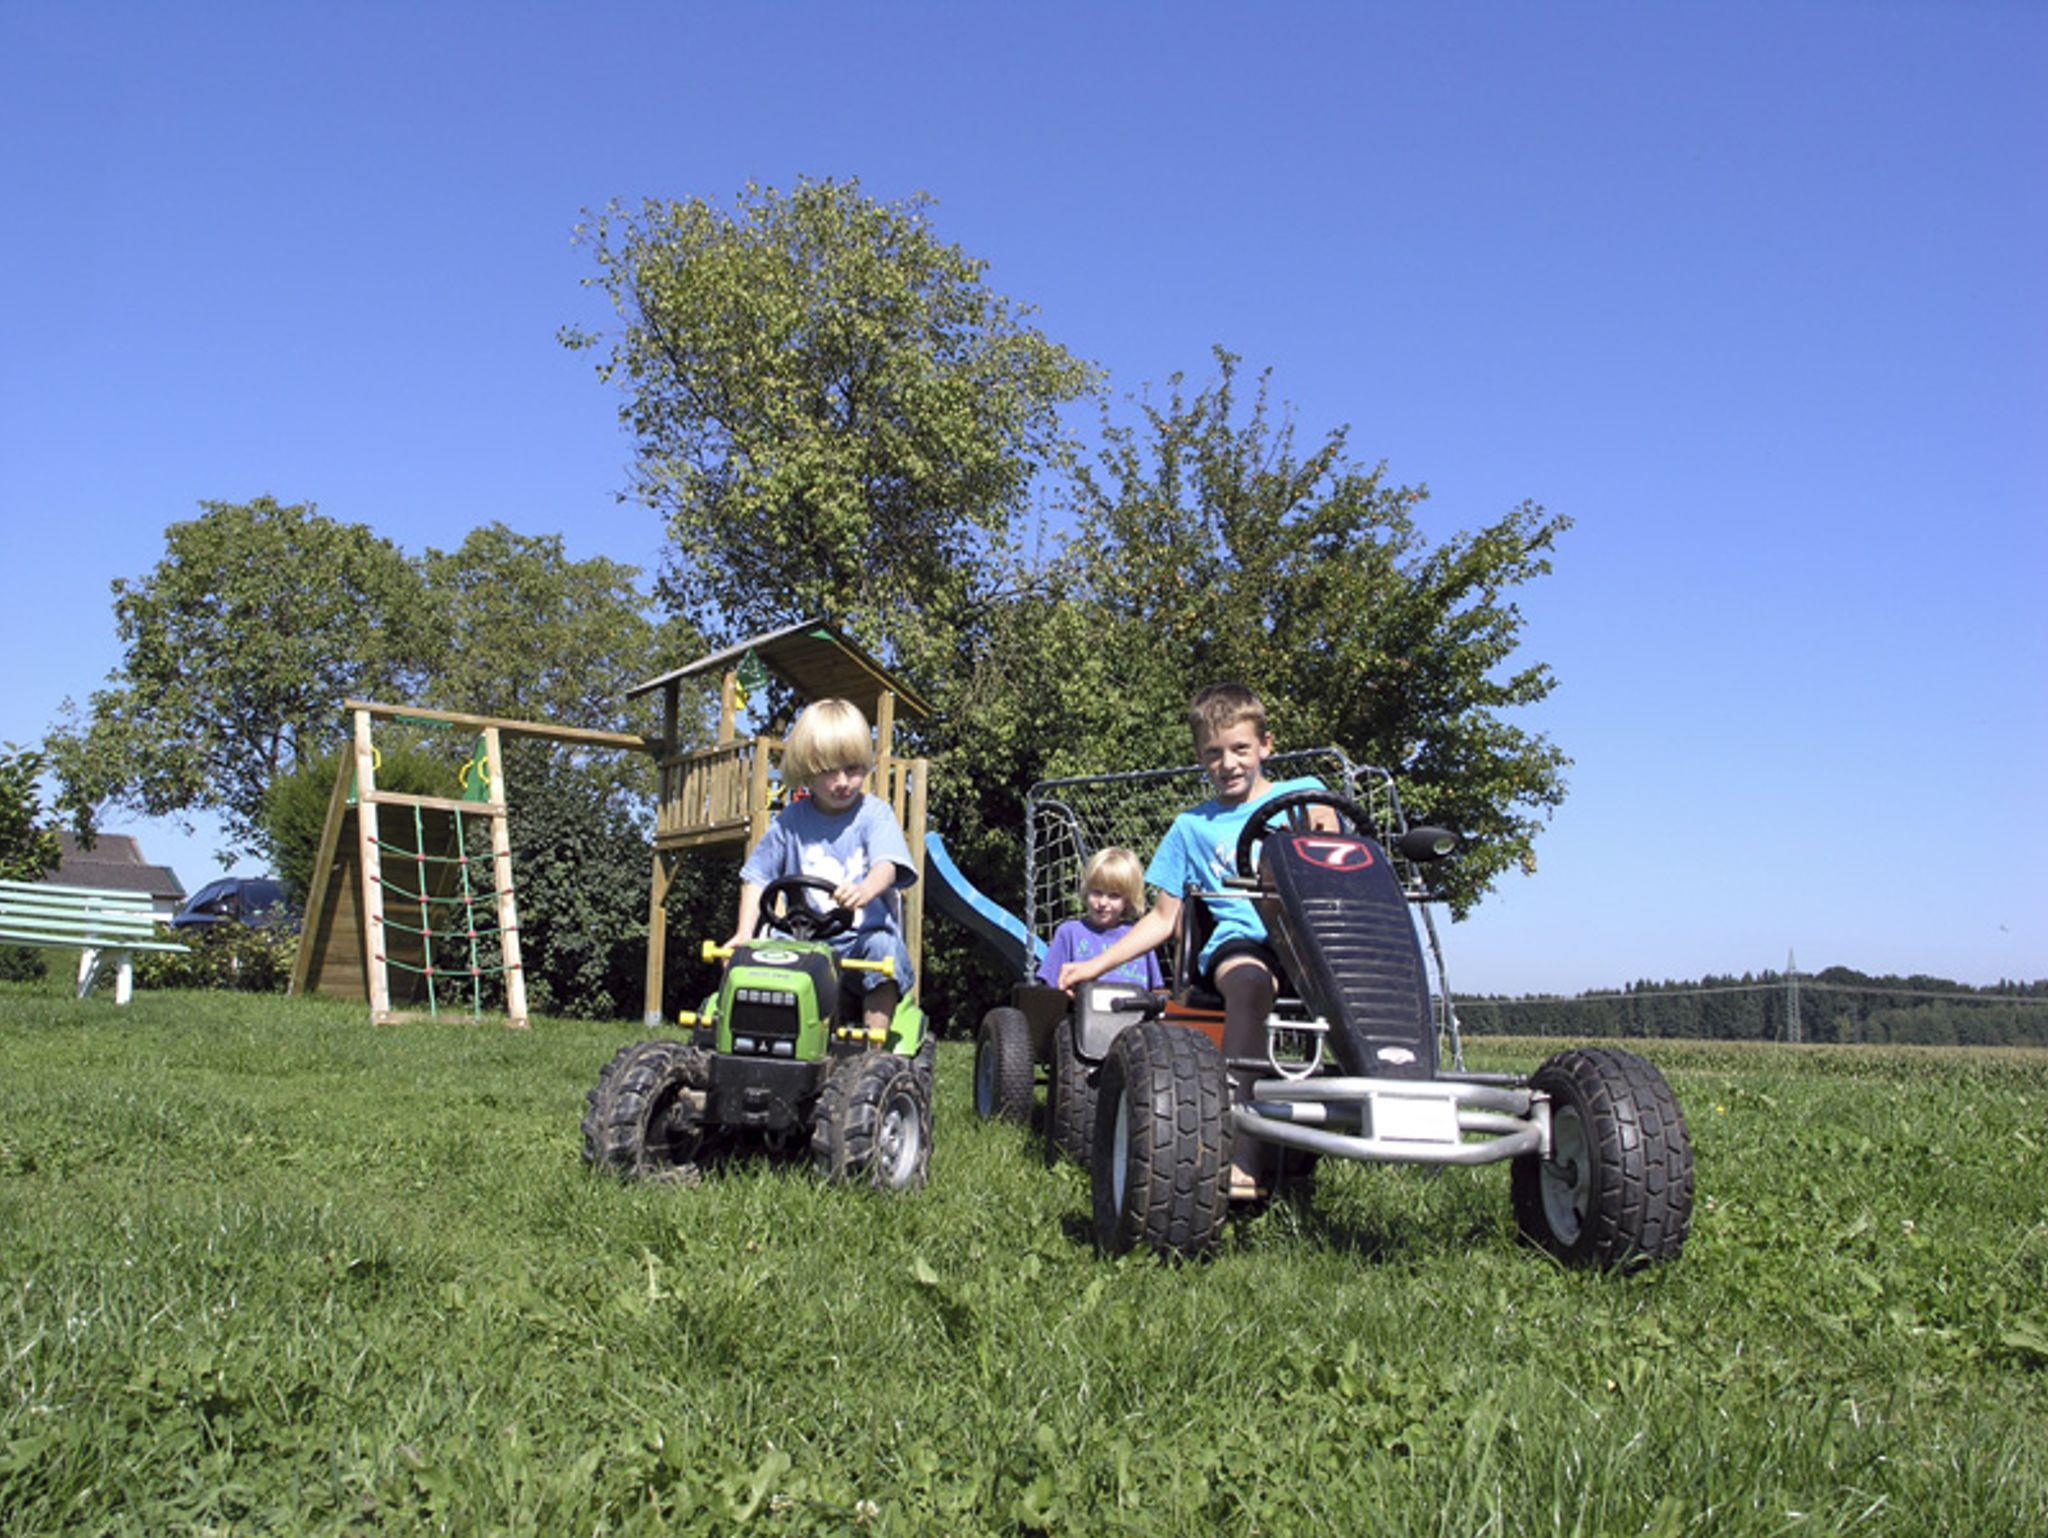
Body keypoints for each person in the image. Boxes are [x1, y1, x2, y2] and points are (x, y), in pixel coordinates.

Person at [1057, 682, 1330, 1197]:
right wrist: (1093, 966)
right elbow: (1162, 919)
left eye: (1240, 749)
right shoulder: (1191, 828)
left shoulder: (1305, 795)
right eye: (1214, 753)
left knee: (1369, 981)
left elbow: (1336, 852)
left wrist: (1318, 833)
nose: (1228, 764)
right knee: (1249, 985)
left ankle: (1395, 1106)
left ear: (1265, 745)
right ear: (1200, 757)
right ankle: (1243, 1150)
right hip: (1242, 942)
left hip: (1312, 937)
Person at [727, 698, 917, 1040]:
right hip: (803, 939)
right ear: (807, 771)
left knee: (884, 948)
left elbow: (887, 866)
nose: (843, 781)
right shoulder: (790, 822)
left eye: (853, 768)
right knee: (754, 956)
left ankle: (872, 1047)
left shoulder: (874, 815)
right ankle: (759, 1040)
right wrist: (743, 934)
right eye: (830, 771)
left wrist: (865, 890)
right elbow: (757, 877)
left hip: (860, 942)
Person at [1036, 847, 1165, 992]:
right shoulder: (1069, 933)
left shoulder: (1141, 937)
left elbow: (1156, 993)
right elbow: (1049, 991)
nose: (1103, 903)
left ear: (1128, 900)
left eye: (1114, 895)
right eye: (1097, 892)